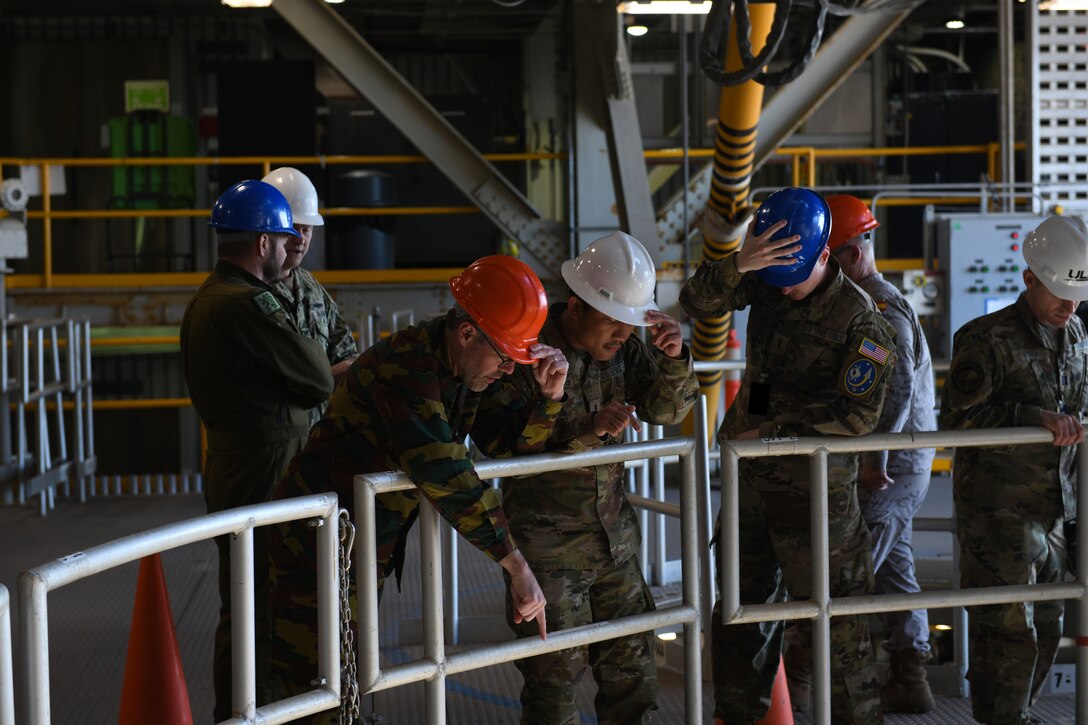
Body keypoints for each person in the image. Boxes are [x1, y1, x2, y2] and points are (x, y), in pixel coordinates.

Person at [268, 255, 570, 723]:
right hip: (312, 543)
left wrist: (549, 401)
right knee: (312, 683)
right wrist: (515, 564)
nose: (509, 372)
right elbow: (444, 470)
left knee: (344, 672)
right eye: (506, 359)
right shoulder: (407, 366)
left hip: (359, 542)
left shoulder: (467, 369)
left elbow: (506, 447)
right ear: (468, 333)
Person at [679, 187, 895, 725]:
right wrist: (739, 262)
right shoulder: (771, 275)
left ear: (825, 257)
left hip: (815, 497)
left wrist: (774, 431)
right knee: (739, 619)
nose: (780, 289)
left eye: (791, 276)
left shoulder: (863, 323)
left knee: (838, 632)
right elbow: (695, 302)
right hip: (751, 487)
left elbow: (857, 416)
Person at [473, 231, 698, 725]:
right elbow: (500, 444)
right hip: (548, 555)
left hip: (615, 543)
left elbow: (667, 410)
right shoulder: (526, 347)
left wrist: (675, 359)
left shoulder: (624, 349)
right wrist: (585, 428)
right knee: (554, 685)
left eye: (631, 324)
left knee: (634, 676)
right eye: (614, 322)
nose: (623, 335)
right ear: (575, 307)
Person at [180, 179, 336, 721]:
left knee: (245, 603)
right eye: (283, 236)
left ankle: (244, 712)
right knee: (264, 608)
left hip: (237, 462)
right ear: (264, 243)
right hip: (266, 467)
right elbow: (319, 375)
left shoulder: (209, 298)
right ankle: (256, 713)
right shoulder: (247, 304)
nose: (292, 244)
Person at [782, 195, 937, 713]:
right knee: (894, 568)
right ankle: (911, 676)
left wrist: (875, 459)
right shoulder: (862, 302)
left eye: (822, 260)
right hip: (895, 464)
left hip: (889, 467)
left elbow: (894, 390)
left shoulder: (881, 308)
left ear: (848, 256)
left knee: (847, 572)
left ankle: (803, 670)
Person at [941, 214, 1088, 725]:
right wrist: (1034, 420)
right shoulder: (985, 339)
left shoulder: (1078, 334)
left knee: (1047, 625)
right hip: (998, 518)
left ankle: (1019, 715)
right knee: (1006, 633)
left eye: (1077, 297)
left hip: (1055, 512)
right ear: (1029, 280)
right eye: (1059, 295)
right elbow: (958, 421)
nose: (1069, 307)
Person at [263, 166, 358, 423]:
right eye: (294, 229)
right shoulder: (252, 292)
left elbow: (348, 355)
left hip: (316, 438)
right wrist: (323, 377)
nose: (300, 240)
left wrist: (320, 378)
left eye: (307, 230)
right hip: (275, 439)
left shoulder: (310, 286)